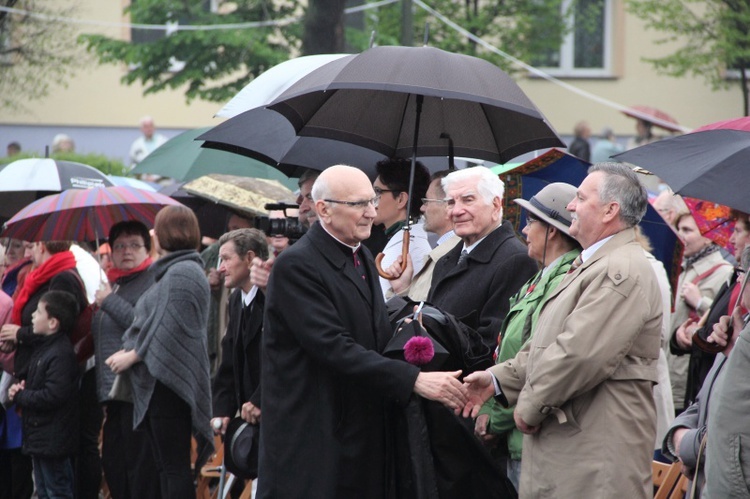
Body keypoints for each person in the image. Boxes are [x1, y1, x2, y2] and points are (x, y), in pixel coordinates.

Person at [257, 165, 467, 498]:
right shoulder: (297, 265)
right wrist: (413, 380)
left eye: (372, 201)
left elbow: (373, 333)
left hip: (359, 434)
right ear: (324, 209)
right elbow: (333, 346)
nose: (371, 212)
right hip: (316, 439)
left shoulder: (363, 256)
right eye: (359, 204)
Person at [462, 162, 664, 498]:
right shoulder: (592, 264)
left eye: (581, 198)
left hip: (593, 453)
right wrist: (498, 380)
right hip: (574, 447)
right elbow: (548, 343)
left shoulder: (621, 269)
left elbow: (580, 355)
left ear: (610, 211)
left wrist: (529, 407)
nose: (570, 205)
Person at [474, 182, 581, 491]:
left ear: (552, 231)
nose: (524, 230)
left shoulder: (563, 280)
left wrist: (496, 418)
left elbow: (540, 361)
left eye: (532, 221)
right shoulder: (542, 276)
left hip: (533, 439)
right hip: (519, 438)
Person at [106, 205, 212, 498]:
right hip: (159, 385)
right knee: (166, 468)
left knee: (174, 467)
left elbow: (169, 332)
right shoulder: (172, 272)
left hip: (168, 384)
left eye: (156, 229)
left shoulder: (183, 273)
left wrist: (133, 355)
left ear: (163, 234)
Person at [662, 246, 750, 498]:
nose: (738, 280)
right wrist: (678, 430)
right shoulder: (742, 328)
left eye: (742, 273)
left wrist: (686, 444)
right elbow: (704, 401)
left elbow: (734, 424)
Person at [427, 166, 538, 349]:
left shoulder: (516, 260)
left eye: (467, 200)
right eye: (451, 202)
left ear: (495, 205)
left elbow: (494, 344)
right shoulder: (446, 260)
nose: (456, 211)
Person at [93, 221, 160, 499]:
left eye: (134, 245)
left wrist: (108, 301)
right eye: (119, 245)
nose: (126, 251)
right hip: (112, 393)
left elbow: (142, 325)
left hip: (136, 391)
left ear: (147, 249)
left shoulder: (152, 280)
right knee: (114, 464)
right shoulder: (114, 282)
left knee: (137, 470)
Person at [674, 210, 750, 416]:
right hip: (703, 385)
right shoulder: (735, 276)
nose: (731, 238)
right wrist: (680, 337)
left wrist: (699, 307)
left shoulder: (729, 274)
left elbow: (725, 338)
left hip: (720, 392)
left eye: (737, 231)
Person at [9, 290, 80, 499]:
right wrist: (23, 388)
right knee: (43, 489)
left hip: (53, 439)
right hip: (42, 437)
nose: (32, 316)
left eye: (38, 312)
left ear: (53, 323)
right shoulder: (45, 347)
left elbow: (52, 395)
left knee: (56, 490)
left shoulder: (60, 354)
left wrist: (21, 396)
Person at [211, 228, 268, 435]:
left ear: (250, 258)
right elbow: (229, 360)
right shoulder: (235, 300)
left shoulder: (273, 298)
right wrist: (222, 410)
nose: (221, 268)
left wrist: (260, 399)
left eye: (226, 259)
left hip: (275, 417)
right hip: (248, 421)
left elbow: (284, 358)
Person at [389, 170, 460, 302]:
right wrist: (402, 289)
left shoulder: (454, 255)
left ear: (448, 205)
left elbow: (427, 314)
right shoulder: (444, 251)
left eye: (427, 201)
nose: (422, 208)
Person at [372, 158, 432, 299]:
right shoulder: (404, 239)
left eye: (378, 192)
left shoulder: (409, 247)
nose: (371, 198)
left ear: (401, 199)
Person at [202, 211, 254, 372]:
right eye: (229, 228)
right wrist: (215, 288)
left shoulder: (261, 271)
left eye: (236, 229)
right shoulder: (212, 256)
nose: (230, 233)